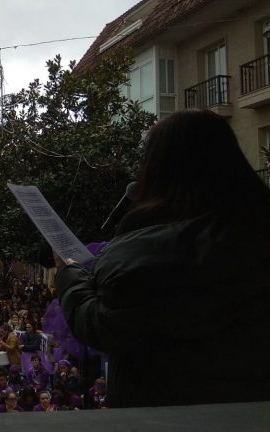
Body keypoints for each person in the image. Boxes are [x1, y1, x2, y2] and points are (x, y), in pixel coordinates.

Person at [55, 110, 270, 407]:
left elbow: (99, 322)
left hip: (161, 412)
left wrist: (68, 274)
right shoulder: (254, 235)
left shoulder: (149, 251)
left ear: (156, 168)